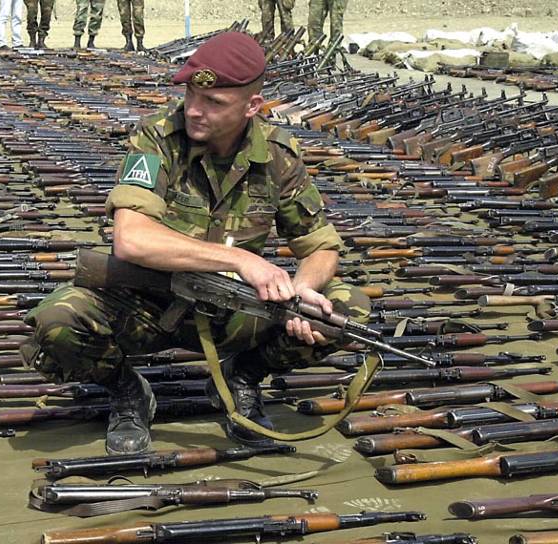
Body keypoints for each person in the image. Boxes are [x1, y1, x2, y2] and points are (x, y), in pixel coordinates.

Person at [21, 32, 370, 455]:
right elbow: (131, 240)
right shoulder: (157, 139)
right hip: (148, 304)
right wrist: (239, 259)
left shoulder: (279, 154)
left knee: (345, 311)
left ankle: (240, 377)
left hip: (235, 309)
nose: (195, 111)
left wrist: (304, 289)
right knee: (57, 320)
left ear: (252, 107)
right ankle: (128, 391)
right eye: (191, 95)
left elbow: (320, 244)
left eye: (214, 103)